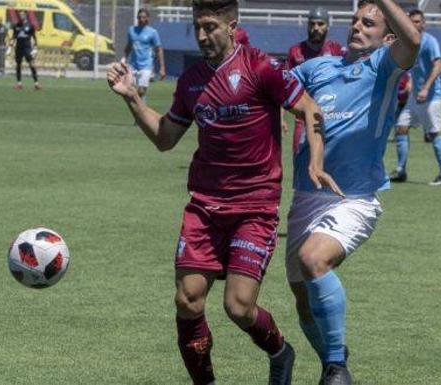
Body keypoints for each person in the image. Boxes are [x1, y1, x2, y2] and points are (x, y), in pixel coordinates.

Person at [106, 1, 340, 384]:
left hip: (255, 207)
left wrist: (315, 160)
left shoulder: (261, 66)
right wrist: (133, 97)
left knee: (238, 306)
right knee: (188, 299)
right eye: (197, 27)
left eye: (210, 27)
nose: (201, 36)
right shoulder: (191, 80)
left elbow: (310, 109)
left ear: (233, 26)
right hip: (204, 206)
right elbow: (166, 138)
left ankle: (280, 351)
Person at [285, 0, 420, 384]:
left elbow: (413, 40)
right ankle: (334, 356)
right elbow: (274, 85)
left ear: (386, 36)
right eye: (355, 20)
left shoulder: (384, 66)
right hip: (305, 196)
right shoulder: (318, 67)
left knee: (314, 260)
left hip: (354, 198)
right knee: (303, 299)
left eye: (369, 23)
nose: (358, 27)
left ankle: (336, 369)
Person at [389, 9, 441, 186]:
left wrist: (425, 87)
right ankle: (401, 170)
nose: (414, 24)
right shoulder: (408, 42)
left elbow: (438, 66)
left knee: (434, 133)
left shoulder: (430, 42)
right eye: (411, 21)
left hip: (431, 97)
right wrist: (409, 81)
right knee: (401, 127)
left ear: (423, 24)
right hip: (414, 97)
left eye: (417, 21)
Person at [285, 7, 344, 154]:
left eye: (320, 24)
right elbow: (284, 87)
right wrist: (281, 118)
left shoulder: (337, 50)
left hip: (331, 116)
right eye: (312, 24)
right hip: (302, 118)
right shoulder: (295, 52)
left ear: (327, 25)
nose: (316, 28)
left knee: (330, 162)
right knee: (300, 159)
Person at [124, 8, 166, 103]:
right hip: (133, 65)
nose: (141, 19)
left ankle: (141, 112)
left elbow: (159, 50)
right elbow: (128, 46)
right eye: (139, 17)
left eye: (143, 17)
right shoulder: (131, 30)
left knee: (141, 91)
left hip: (146, 65)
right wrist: (124, 59)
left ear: (148, 19)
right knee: (131, 90)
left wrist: (162, 68)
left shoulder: (152, 32)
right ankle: (140, 112)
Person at [10, 10, 40, 90]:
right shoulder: (16, 25)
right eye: (20, 15)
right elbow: (13, 37)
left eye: (22, 15)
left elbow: (34, 36)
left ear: (25, 15)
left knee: (31, 64)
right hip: (18, 48)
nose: (21, 16)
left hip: (27, 47)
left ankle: (36, 84)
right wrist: (10, 44)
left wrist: (36, 46)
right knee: (18, 65)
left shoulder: (30, 25)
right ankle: (19, 84)